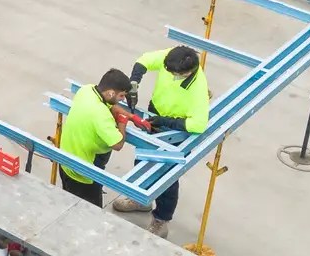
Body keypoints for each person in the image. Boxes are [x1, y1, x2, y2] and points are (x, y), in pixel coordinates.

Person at [110, 45, 211, 236]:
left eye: (174, 74)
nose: (170, 75)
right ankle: (141, 199)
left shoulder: (198, 88)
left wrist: (166, 122)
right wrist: (133, 85)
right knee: (143, 159)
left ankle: (161, 219)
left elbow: (198, 124)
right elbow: (144, 60)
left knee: (166, 175)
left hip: (176, 128)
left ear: (188, 72)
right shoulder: (171, 58)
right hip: (155, 112)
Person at [57, 69, 132, 207]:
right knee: (90, 212)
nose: (122, 100)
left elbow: (110, 105)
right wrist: (122, 122)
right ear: (110, 92)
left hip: (65, 158)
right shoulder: (101, 114)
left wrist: (129, 114)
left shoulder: (87, 90)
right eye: (121, 96)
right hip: (84, 171)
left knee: (68, 201)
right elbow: (118, 144)